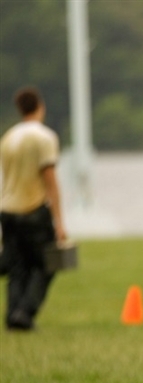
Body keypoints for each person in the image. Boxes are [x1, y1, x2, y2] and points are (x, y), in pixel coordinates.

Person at [0, 86, 66, 331]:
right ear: (40, 107)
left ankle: (12, 316)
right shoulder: (44, 137)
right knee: (46, 264)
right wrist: (59, 222)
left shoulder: (7, 137)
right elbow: (49, 180)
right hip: (32, 209)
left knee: (18, 267)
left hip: (7, 210)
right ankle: (26, 311)